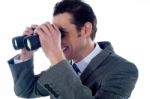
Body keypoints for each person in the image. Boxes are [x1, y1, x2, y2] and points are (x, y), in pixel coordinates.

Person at [8, 0, 138, 99]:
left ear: (86, 30)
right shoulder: (64, 67)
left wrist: (55, 55)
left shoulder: (123, 70)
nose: (57, 40)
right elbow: (25, 90)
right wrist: (26, 53)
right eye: (55, 33)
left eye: (61, 33)